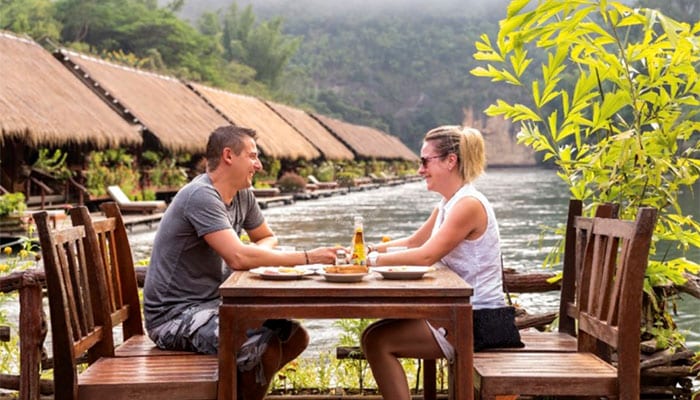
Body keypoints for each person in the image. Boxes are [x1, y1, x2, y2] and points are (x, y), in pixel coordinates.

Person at [143, 125, 337, 400]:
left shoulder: (242, 193)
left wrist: (250, 252)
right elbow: (237, 257)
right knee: (263, 346)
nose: (258, 165)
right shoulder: (200, 195)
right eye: (253, 156)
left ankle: (234, 391)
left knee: (294, 336)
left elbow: (267, 238)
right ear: (228, 156)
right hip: (173, 316)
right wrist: (309, 257)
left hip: (214, 306)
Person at [360, 125, 521, 399]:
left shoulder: (468, 205)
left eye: (425, 161)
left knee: (377, 341)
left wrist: (370, 261)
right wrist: (372, 248)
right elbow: (414, 242)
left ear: (450, 161)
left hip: (476, 321)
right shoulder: (449, 203)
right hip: (456, 312)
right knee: (372, 336)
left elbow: (425, 255)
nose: (420, 169)